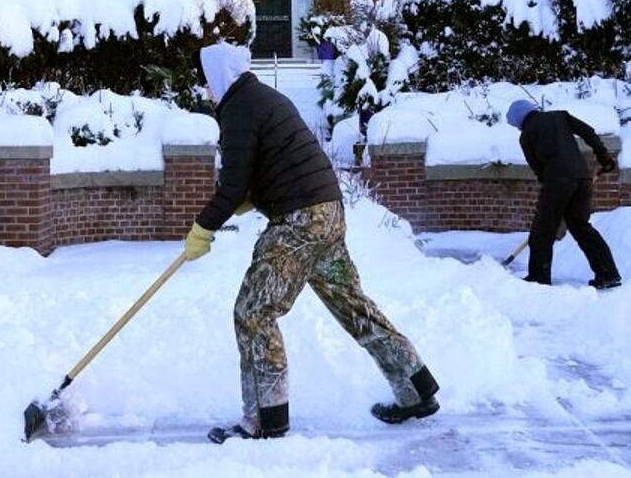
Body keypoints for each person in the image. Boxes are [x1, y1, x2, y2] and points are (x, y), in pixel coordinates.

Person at [183, 43, 440, 444]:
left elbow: (233, 183)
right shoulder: (262, 98)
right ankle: (416, 386)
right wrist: (243, 201)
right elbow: (269, 164)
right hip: (328, 213)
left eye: (206, 84)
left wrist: (203, 228)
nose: (206, 93)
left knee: (253, 311)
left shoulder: (238, 108)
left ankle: (266, 419)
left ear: (219, 78)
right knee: (352, 304)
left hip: (300, 221)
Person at [506, 100, 622, 290]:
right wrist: (604, 157)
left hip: (556, 180)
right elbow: (588, 131)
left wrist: (552, 196)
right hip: (582, 178)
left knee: (543, 231)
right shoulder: (560, 116)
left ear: (520, 120)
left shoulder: (526, 136)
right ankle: (608, 273)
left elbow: (538, 169)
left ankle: (538, 280)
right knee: (581, 227)